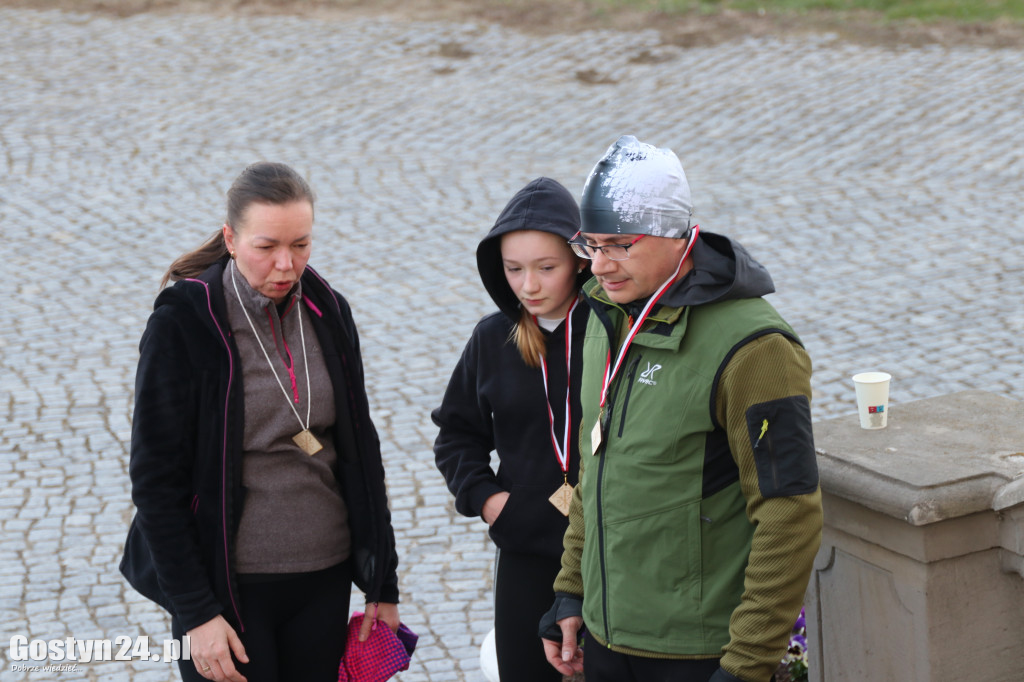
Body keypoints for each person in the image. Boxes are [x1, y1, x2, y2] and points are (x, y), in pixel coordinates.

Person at [539, 136, 823, 682]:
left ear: (676, 235)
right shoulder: (606, 317)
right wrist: (572, 590)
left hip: (700, 654)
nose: (600, 265)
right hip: (605, 640)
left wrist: (746, 664)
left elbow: (789, 513)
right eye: (589, 245)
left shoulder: (756, 348)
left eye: (619, 245)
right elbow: (595, 469)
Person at [120, 161, 401, 682]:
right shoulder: (184, 322)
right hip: (228, 589)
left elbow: (362, 449)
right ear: (230, 239)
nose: (286, 265)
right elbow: (155, 480)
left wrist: (383, 581)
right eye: (266, 246)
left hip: (324, 577)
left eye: (301, 244)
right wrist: (195, 612)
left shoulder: (329, 311)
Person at [432, 177, 590, 681]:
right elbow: (456, 434)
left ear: (579, 260)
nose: (529, 286)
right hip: (525, 551)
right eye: (514, 269)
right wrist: (489, 500)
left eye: (546, 267)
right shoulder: (492, 338)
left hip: (606, 553)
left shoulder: (613, 332)